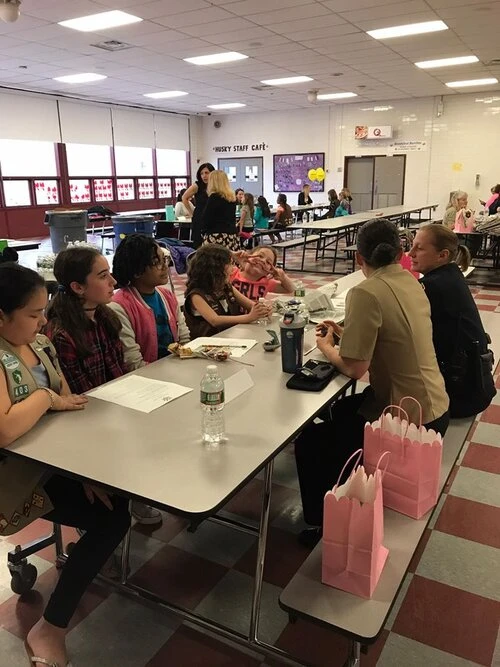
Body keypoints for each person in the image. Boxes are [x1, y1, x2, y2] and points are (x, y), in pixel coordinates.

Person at [0, 261, 129, 667]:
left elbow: (70, 403)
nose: (42, 323)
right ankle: (50, 628)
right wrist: (46, 399)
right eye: (33, 315)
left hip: (52, 466)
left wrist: (82, 471)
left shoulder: (39, 346)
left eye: (43, 312)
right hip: (17, 479)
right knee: (111, 520)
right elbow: (5, 429)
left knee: (113, 507)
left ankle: (72, 579)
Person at [294, 218, 450, 547]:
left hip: (406, 417)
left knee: (311, 441)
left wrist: (326, 347)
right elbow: (390, 335)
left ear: (359, 259)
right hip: (435, 403)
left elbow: (353, 367)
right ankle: (346, 492)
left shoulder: (366, 291)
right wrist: (344, 335)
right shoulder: (412, 281)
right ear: (399, 252)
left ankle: (326, 525)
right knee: (344, 409)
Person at [45, 246, 162, 526]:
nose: (113, 283)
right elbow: (80, 401)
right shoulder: (63, 335)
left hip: (115, 407)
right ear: (77, 287)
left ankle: (137, 493)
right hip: (88, 425)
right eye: (103, 276)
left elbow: (119, 372)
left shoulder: (104, 316)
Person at [409, 224, 496, 417]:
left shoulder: (432, 286)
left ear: (443, 255)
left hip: (459, 397)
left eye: (419, 248)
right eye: (412, 246)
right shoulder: (450, 275)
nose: (410, 253)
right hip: (474, 387)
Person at [109, 234, 190, 370]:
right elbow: (132, 362)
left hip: (175, 368)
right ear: (137, 271)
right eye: (156, 262)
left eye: (164, 259)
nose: (165, 266)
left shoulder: (167, 296)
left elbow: (184, 338)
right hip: (146, 378)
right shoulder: (119, 306)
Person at [184, 244, 271, 338]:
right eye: (230, 264)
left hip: (231, 337)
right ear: (216, 269)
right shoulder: (196, 295)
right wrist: (249, 317)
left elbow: (250, 305)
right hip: (209, 344)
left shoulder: (227, 287)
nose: (233, 268)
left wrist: (263, 309)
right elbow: (215, 320)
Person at [201, 170, 239, 251]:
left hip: (216, 236)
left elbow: (206, 219)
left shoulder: (214, 197)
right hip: (231, 236)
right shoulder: (232, 198)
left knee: (213, 262)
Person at [182, 162, 215, 249]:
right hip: (199, 217)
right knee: (199, 243)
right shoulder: (197, 185)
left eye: (206, 173)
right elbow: (184, 197)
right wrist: (191, 212)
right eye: (202, 173)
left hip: (212, 217)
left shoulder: (215, 186)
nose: (204, 176)